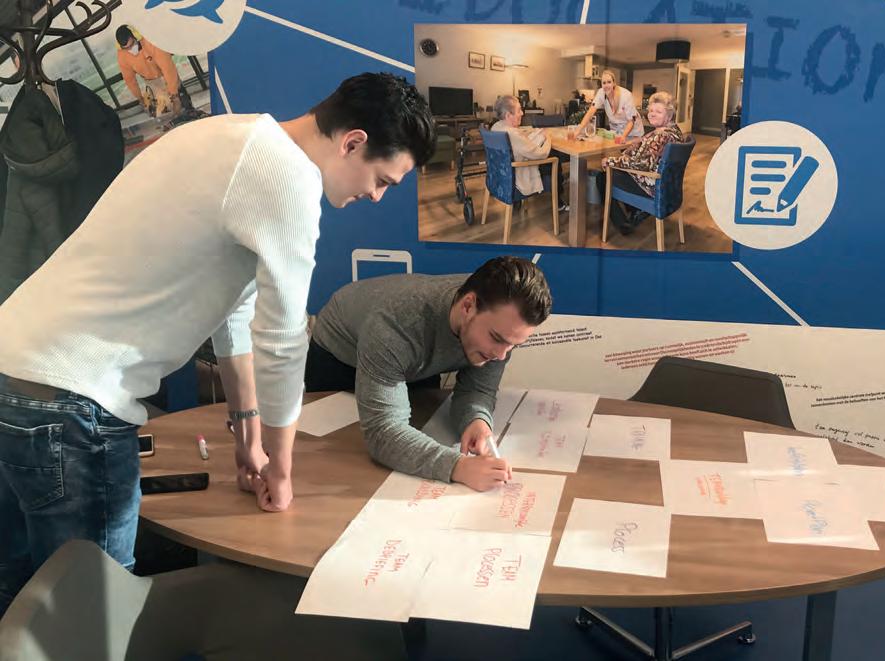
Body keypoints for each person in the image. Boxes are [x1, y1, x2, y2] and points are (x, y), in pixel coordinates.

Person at [0, 73, 436, 615]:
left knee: (17, 590)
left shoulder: (222, 135)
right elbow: (282, 340)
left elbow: (235, 308)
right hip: (72, 399)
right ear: (353, 142)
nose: (375, 195)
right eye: (383, 180)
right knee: (92, 614)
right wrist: (281, 468)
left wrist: (249, 437)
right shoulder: (289, 177)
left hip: (14, 366)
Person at [305, 256, 552, 492]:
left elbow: (478, 389)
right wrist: (458, 467)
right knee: (339, 461)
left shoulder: (498, 315)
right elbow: (383, 432)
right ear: (467, 306)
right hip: (339, 358)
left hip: (412, 360)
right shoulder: (395, 326)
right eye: (496, 339)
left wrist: (476, 421)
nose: (500, 355)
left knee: (419, 437)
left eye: (512, 345)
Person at [595, 91, 684, 235]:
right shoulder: (674, 131)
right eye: (651, 110)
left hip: (651, 186)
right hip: (667, 186)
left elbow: (640, 165)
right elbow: (649, 149)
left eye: (658, 111)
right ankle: (636, 210)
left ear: (669, 115)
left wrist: (610, 161)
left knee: (602, 177)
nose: (652, 114)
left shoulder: (661, 136)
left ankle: (623, 224)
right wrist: (640, 142)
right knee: (618, 169)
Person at [490, 95, 568, 212]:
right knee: (554, 158)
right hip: (518, 180)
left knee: (550, 155)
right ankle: (558, 202)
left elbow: (519, 140)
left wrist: (533, 134)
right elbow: (541, 154)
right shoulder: (513, 135)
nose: (522, 113)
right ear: (508, 115)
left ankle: (560, 190)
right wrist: (548, 137)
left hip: (501, 178)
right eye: (519, 110)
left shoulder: (496, 127)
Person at [115, 24, 188, 116]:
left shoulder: (151, 42)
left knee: (185, 106)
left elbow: (168, 68)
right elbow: (129, 80)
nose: (130, 49)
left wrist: (175, 96)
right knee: (165, 113)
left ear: (135, 37)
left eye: (132, 45)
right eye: (126, 48)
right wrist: (140, 98)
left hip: (167, 76)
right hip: (152, 83)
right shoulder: (122, 55)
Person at [576, 71, 644, 140]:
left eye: (609, 82)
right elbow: (590, 112)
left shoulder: (626, 95)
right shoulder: (601, 93)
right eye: (604, 83)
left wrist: (623, 137)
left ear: (614, 83)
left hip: (633, 132)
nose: (606, 85)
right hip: (616, 131)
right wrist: (578, 130)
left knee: (629, 147)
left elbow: (631, 120)